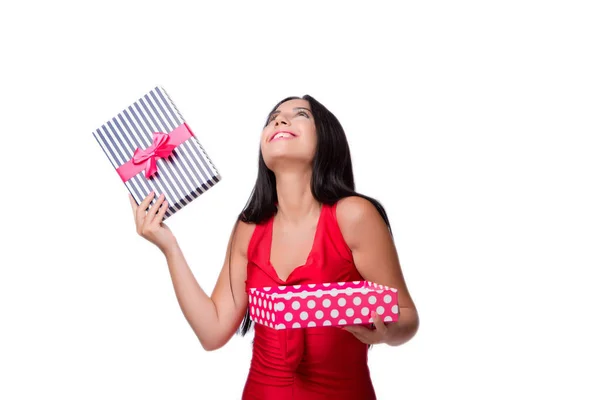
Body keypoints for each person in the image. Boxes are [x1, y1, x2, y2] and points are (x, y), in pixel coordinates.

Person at [129, 95, 420, 399]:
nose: (280, 120)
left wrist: (388, 332)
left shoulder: (354, 215)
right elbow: (212, 331)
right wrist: (169, 247)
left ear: (328, 139)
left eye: (301, 115)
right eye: (273, 118)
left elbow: (408, 315)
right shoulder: (249, 228)